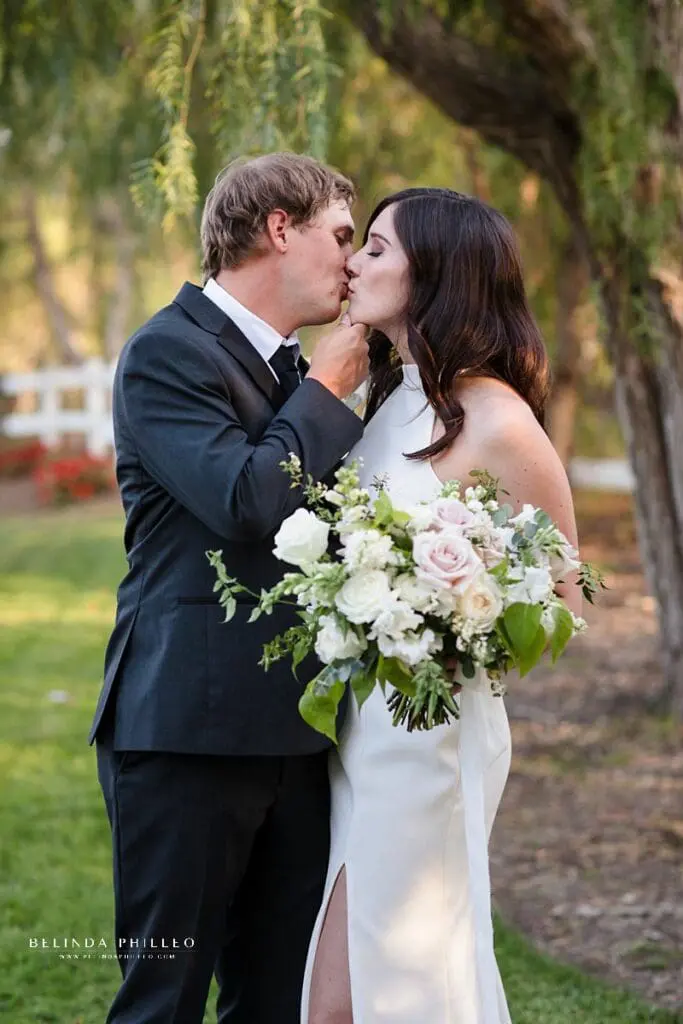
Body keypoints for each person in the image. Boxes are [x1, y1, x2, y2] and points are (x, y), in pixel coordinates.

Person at [89, 152, 369, 1024]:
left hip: (298, 736)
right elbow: (246, 501)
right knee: (162, 1001)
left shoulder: (291, 373)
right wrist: (329, 384)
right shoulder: (166, 353)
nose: (354, 263)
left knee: (274, 999)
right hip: (187, 735)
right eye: (340, 237)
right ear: (279, 228)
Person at [302, 187, 583, 1024]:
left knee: (380, 989)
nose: (354, 261)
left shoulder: (501, 424)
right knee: (345, 988)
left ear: (438, 276)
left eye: (378, 248)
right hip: (361, 725)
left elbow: (563, 600)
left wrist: (447, 619)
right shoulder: (395, 404)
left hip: (428, 743)